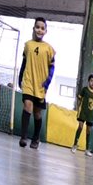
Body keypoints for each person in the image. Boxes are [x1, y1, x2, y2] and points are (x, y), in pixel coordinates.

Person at [17, 17, 55, 149]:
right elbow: (24, 63)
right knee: (27, 106)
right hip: (28, 82)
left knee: (37, 113)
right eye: (37, 27)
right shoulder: (28, 45)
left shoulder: (49, 49)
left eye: (42, 28)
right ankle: (23, 137)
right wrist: (20, 77)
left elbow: (52, 67)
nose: (40, 30)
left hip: (40, 86)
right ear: (33, 28)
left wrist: (47, 83)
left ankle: (36, 137)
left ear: (45, 31)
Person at [72, 74, 93, 155]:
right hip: (83, 113)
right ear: (88, 81)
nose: (92, 83)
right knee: (80, 127)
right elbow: (79, 99)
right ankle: (74, 145)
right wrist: (77, 108)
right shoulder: (84, 90)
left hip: (90, 115)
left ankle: (87, 149)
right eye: (91, 81)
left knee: (88, 131)